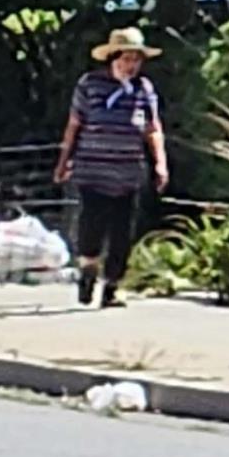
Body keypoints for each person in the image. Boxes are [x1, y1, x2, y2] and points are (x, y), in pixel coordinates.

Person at [55, 26, 169, 308]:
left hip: (128, 170)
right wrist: (63, 161)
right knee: (91, 226)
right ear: (113, 57)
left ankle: (112, 287)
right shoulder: (90, 84)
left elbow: (153, 128)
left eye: (136, 59)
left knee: (122, 232)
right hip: (93, 168)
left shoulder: (143, 89)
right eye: (127, 59)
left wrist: (160, 163)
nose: (132, 65)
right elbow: (74, 124)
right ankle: (88, 270)